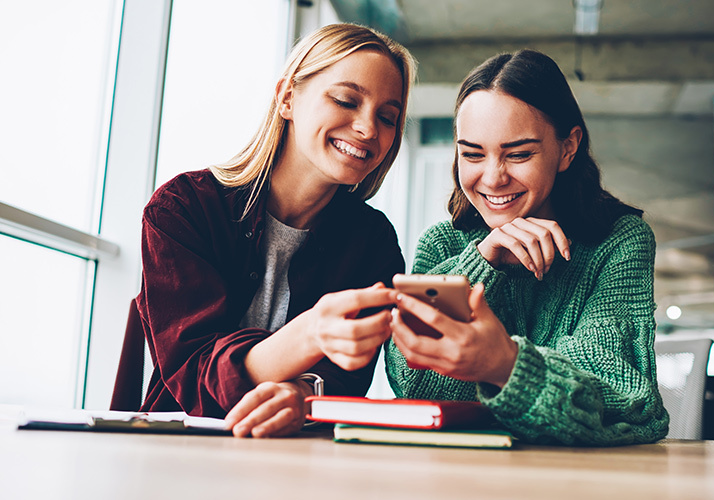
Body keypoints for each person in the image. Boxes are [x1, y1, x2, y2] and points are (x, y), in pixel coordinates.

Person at [131, 23, 415, 438]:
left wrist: (304, 395)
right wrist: (308, 334)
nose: (369, 129)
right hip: (183, 446)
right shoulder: (184, 209)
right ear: (287, 97)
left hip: (299, 454)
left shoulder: (373, 242)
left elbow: (347, 379)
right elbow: (189, 373)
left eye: (387, 117)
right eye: (345, 100)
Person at [385, 49, 669, 446]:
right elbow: (415, 390)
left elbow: (622, 400)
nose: (493, 178)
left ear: (567, 148)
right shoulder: (442, 244)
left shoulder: (618, 242)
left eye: (518, 154)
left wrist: (503, 364)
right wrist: (481, 262)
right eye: (471, 154)